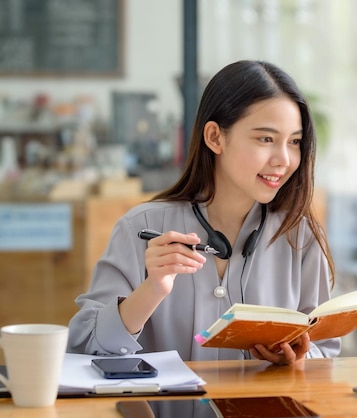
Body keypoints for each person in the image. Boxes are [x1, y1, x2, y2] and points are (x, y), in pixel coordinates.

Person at [67, 60, 339, 365]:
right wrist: (152, 289)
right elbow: (85, 348)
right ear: (215, 137)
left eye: (294, 142)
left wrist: (298, 359)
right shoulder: (139, 227)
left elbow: (325, 352)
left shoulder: (299, 237)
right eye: (266, 139)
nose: (284, 159)